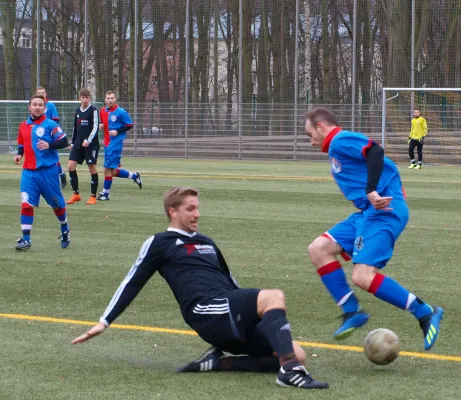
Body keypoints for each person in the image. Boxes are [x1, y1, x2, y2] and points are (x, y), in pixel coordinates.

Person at [71, 187, 328, 390]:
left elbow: (228, 280)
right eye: (190, 209)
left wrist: (259, 313)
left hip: (229, 310)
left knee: (297, 354)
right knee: (275, 297)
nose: (197, 214)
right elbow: (132, 281)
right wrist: (104, 321)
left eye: (198, 208)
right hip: (206, 310)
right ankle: (290, 374)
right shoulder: (160, 242)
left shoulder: (206, 241)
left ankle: (220, 362)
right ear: (173, 212)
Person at [304, 107, 443, 351]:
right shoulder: (336, 149)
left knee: (362, 276)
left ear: (321, 127)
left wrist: (372, 190)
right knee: (319, 249)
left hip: (383, 213)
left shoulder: (339, 139)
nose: (311, 142)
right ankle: (351, 311)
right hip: (368, 214)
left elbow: (375, 150)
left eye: (309, 135)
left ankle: (424, 312)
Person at [14, 94, 71, 250]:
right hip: (29, 173)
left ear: (44, 107)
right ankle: (26, 240)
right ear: (29, 107)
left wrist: (49, 145)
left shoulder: (50, 124)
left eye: (40, 105)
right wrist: (20, 154)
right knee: (26, 203)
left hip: (48, 172)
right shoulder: (22, 126)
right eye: (34, 104)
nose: (37, 107)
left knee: (57, 204)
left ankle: (65, 228)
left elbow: (64, 141)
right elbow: (22, 144)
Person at [97, 91, 142, 201]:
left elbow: (129, 124)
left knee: (107, 169)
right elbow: (103, 123)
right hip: (107, 143)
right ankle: (134, 176)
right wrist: (101, 125)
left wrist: (117, 131)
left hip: (116, 143)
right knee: (111, 171)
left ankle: (106, 194)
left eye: (112, 98)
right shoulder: (102, 111)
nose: (110, 100)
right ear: (105, 100)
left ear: (115, 99)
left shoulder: (121, 112)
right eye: (108, 98)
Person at [66, 88, 100, 205]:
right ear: (79, 98)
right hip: (77, 144)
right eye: (83, 97)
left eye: (87, 98)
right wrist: (72, 142)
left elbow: (95, 127)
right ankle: (76, 194)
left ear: (89, 98)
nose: (85, 100)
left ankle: (93, 196)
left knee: (92, 168)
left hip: (90, 145)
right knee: (70, 166)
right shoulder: (77, 111)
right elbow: (75, 128)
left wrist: (88, 140)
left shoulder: (93, 110)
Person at [36, 86, 67, 187]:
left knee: (53, 158)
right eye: (39, 93)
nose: (41, 94)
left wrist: (51, 132)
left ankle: (61, 175)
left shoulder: (51, 106)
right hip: (39, 137)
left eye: (42, 93)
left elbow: (56, 121)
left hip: (50, 136)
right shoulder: (36, 107)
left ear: (46, 94)